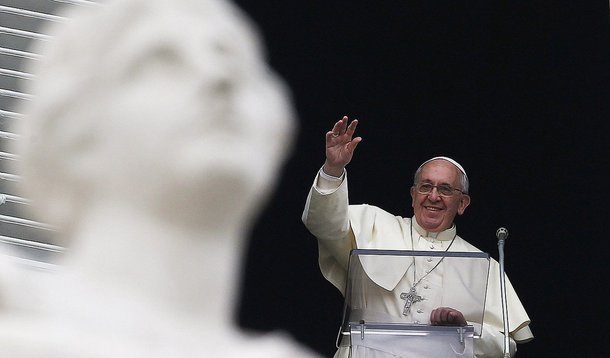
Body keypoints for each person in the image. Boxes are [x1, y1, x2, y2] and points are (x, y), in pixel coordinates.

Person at [0, 0, 319, 356]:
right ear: (74, 136)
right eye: (162, 60)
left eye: (236, 61)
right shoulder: (15, 321)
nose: (221, 77)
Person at [302, 116, 533, 357]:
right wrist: (333, 170)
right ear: (413, 195)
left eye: (445, 189)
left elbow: (505, 346)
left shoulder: (483, 266)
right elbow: (322, 223)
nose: (433, 196)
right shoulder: (373, 224)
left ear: (462, 203)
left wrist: (465, 329)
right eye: (425, 186)